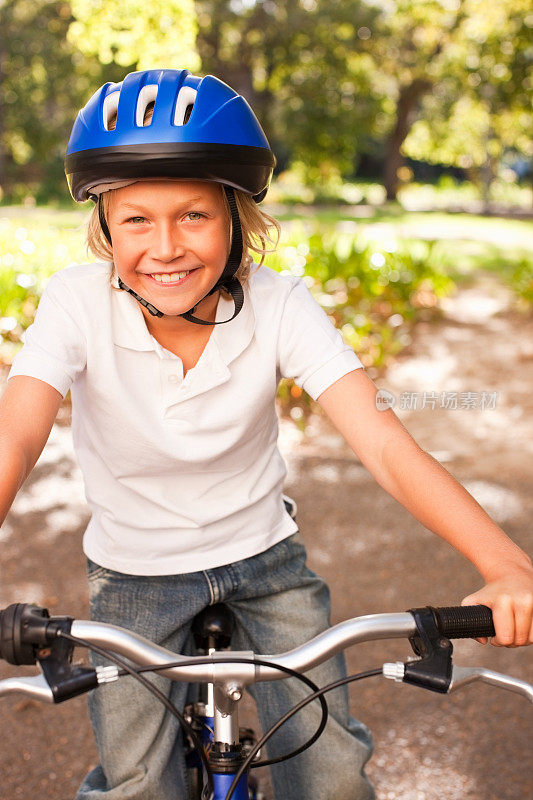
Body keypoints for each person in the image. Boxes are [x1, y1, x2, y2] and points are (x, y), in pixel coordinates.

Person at [0, 67, 531, 800]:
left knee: (332, 776)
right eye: (136, 221)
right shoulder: (75, 303)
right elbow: (16, 436)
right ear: (103, 228)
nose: (165, 248)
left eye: (194, 216)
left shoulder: (280, 305)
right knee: (135, 786)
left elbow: (382, 443)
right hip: (132, 574)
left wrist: (505, 564)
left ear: (235, 216)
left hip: (263, 562)